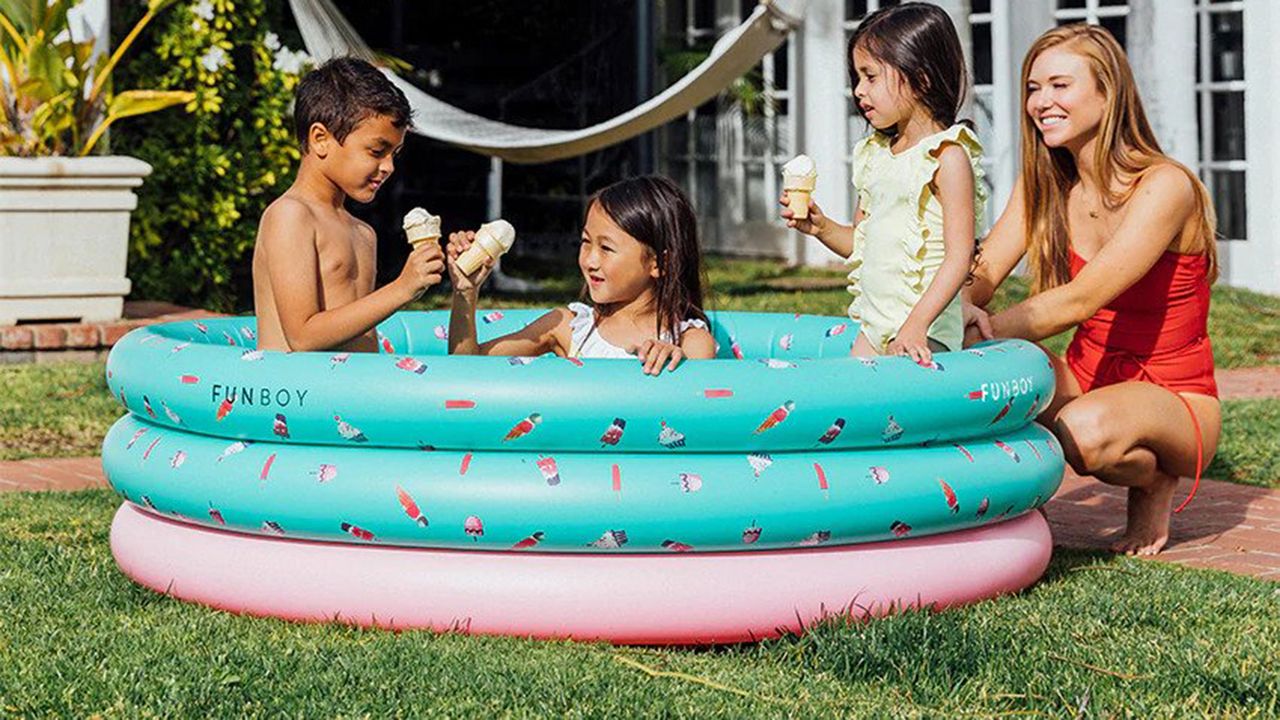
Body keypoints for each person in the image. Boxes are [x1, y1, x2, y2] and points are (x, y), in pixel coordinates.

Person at [963, 24, 1221, 555]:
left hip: (1177, 399)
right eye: (1034, 88)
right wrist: (949, 310)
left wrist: (984, 327)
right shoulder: (1048, 184)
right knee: (994, 369)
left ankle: (1153, 478)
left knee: (1082, 432)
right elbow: (983, 274)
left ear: (1108, 94)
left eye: (1060, 85)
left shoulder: (1164, 185)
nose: (1041, 102)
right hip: (1089, 376)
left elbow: (1083, 297)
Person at [781, 2, 985, 365]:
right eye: (857, 78)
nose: (859, 90)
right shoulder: (874, 155)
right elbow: (862, 246)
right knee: (853, 413)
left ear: (921, 78)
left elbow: (959, 256)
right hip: (874, 328)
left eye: (871, 77)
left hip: (925, 331)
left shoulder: (946, 158)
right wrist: (821, 227)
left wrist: (916, 324)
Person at [252, 57, 444, 352]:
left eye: (395, 153)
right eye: (377, 151)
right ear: (320, 139)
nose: (389, 166)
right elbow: (303, 336)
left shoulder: (363, 233)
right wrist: (402, 288)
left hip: (349, 395)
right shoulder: (290, 216)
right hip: (297, 394)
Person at [447, 175, 715, 373]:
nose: (590, 260)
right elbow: (468, 371)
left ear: (659, 264)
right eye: (586, 242)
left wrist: (679, 370)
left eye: (606, 248)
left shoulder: (690, 343)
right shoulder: (568, 327)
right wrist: (465, 292)